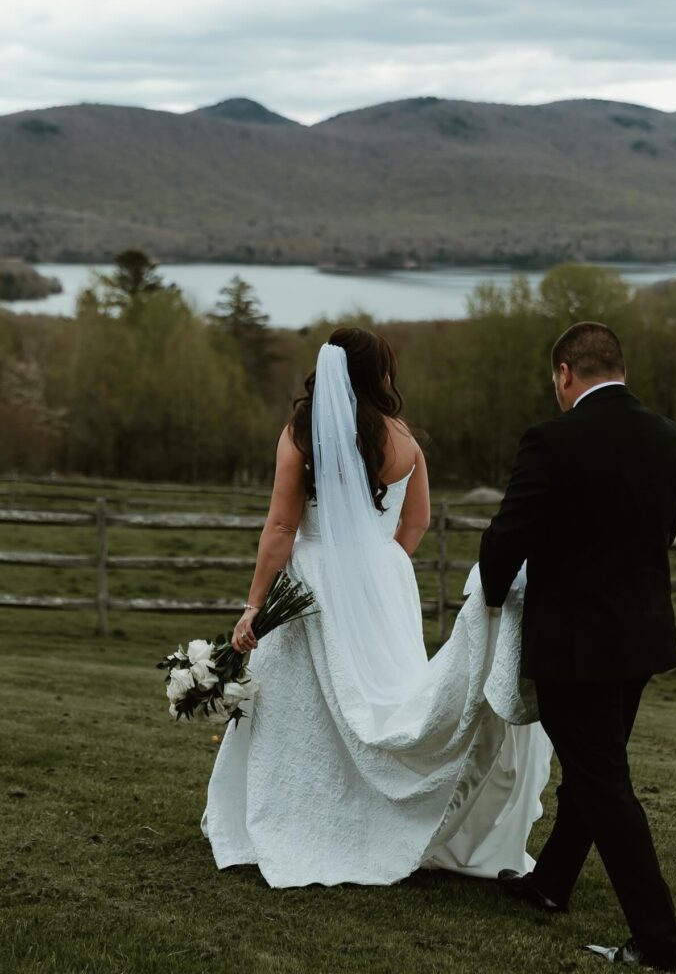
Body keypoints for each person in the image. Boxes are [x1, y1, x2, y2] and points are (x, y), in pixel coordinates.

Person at [201, 327, 551, 888]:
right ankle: (381, 808)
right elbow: (417, 522)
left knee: (304, 709)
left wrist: (254, 605)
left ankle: (302, 812)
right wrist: (375, 568)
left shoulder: (300, 433)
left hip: (311, 582)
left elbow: (284, 525)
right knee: (383, 692)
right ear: (378, 372)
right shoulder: (404, 439)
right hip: (385, 582)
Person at [481, 321, 676, 972]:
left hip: (576, 642)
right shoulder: (668, 438)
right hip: (641, 633)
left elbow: (506, 536)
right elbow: (664, 530)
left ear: (565, 374)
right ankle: (550, 883)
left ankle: (662, 943)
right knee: (593, 767)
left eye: (555, 380)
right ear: (619, 368)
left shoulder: (552, 440)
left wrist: (489, 597)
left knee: (601, 779)